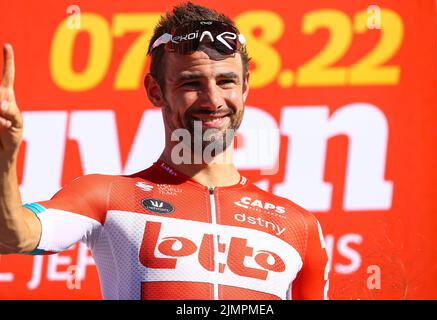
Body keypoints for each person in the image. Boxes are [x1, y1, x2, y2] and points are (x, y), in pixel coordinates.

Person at [0, 2, 330, 300]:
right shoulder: (106, 197)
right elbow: (13, 236)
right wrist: (4, 160)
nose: (213, 100)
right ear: (155, 91)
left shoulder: (298, 226)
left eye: (226, 81)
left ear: (245, 87)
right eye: (191, 83)